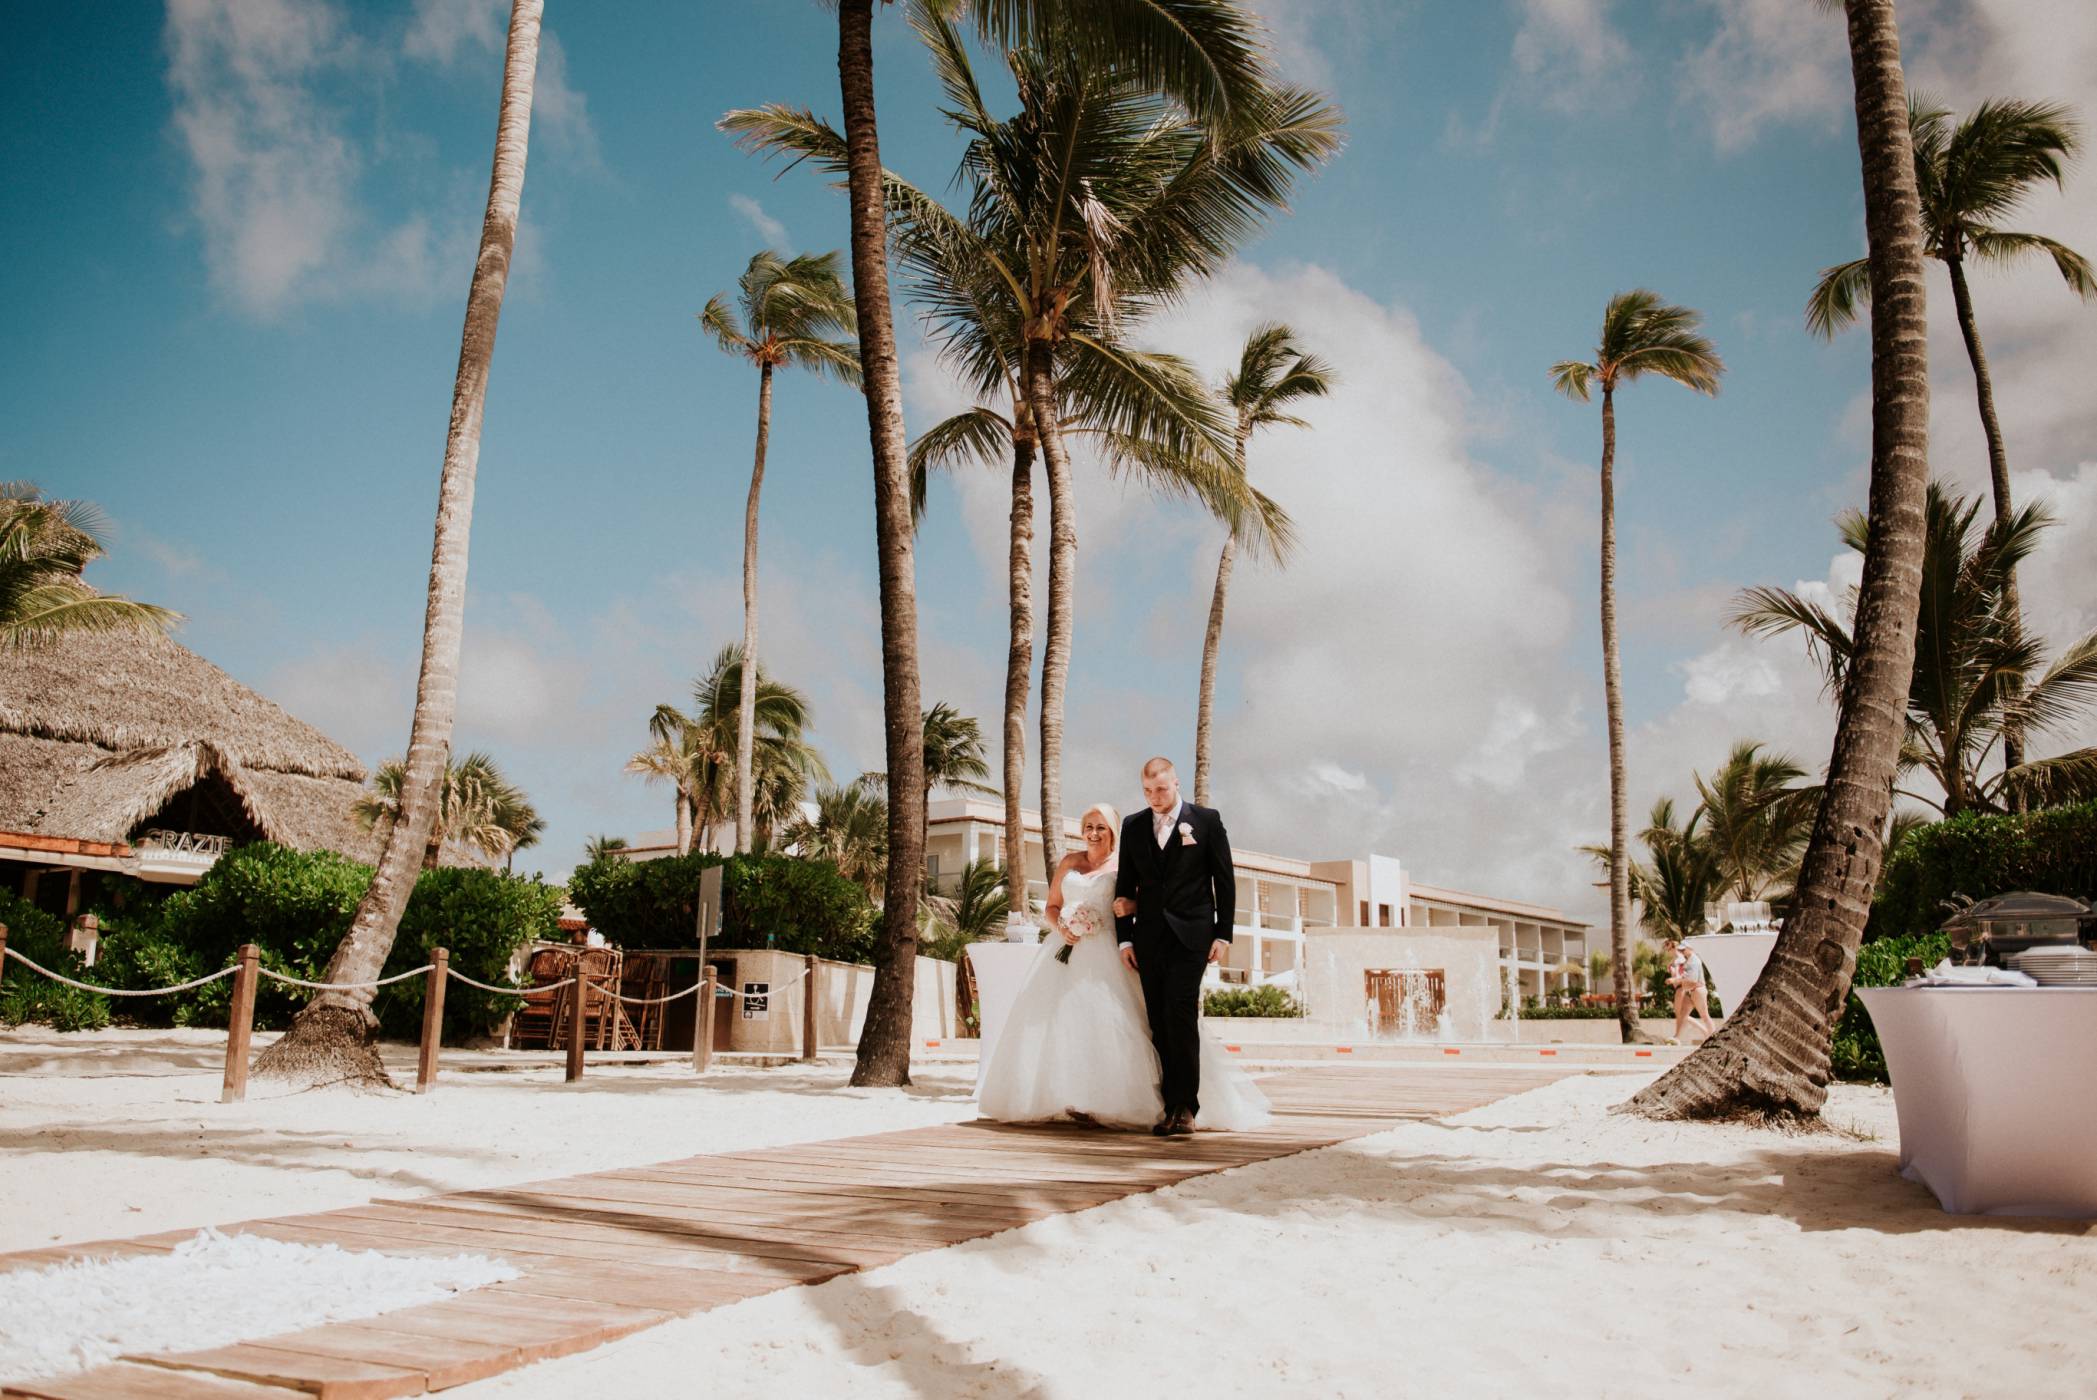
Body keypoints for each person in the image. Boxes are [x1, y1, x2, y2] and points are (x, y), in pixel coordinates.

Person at [974, 797, 1269, 1133]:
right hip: (1066, 951)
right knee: (1064, 1025)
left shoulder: (1123, 864)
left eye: (1101, 827)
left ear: (1114, 831)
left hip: (1110, 951)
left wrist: (1132, 908)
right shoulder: (1070, 861)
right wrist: (1063, 927)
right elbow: (1052, 907)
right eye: (1088, 827)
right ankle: (1073, 1098)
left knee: (1119, 1026)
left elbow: (1150, 901)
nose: (1093, 833)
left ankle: (1151, 1100)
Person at [1115, 757, 1251, 1137]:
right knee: (1158, 1020)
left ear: (1176, 784)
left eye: (1160, 789)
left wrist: (1223, 934)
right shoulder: (1133, 825)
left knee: (1180, 1012)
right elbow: (1124, 886)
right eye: (1147, 791)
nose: (1154, 797)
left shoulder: (1206, 821)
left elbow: (1224, 880)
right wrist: (1125, 937)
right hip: (1148, 937)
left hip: (1193, 936)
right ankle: (1168, 1106)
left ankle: (1186, 1107)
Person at [1665, 935, 1717, 1044]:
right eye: (1681, 950)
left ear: (1690, 948)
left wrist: (1675, 980)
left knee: (1704, 1015)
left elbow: (1691, 980)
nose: (1682, 952)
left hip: (1697, 990)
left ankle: (1714, 1037)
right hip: (1691, 991)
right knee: (1683, 1014)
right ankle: (1677, 1037)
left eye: (1683, 950)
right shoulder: (1690, 960)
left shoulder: (1694, 961)